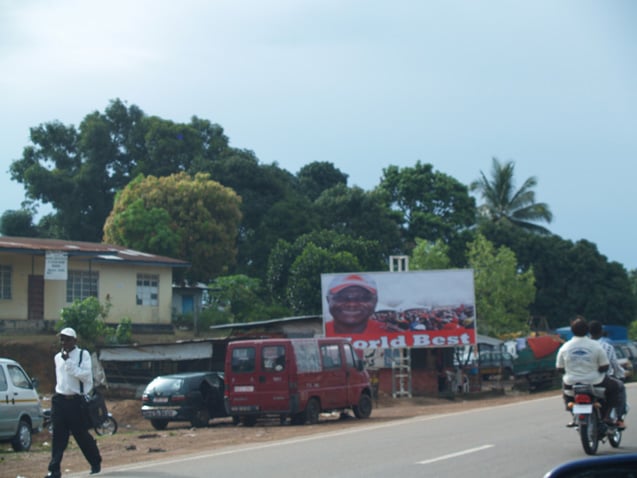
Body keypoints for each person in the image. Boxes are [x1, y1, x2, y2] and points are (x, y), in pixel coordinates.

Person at [45, 327, 102, 478]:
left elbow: (85, 376)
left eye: (68, 339)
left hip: (76, 401)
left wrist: (69, 363)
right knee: (58, 436)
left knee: (80, 435)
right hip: (60, 400)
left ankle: (95, 461)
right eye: (62, 339)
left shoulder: (83, 355)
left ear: (75, 341)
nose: (64, 342)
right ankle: (54, 470)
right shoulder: (58, 357)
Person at [556, 317, 623, 427]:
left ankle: (572, 411)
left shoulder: (565, 347)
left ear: (572, 331)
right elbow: (605, 366)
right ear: (587, 330)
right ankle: (608, 416)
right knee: (616, 387)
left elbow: (560, 368)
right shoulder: (595, 345)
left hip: (571, 383)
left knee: (565, 392)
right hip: (595, 382)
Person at [589, 320, 627, 428]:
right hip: (602, 380)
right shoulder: (606, 346)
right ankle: (618, 418)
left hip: (581, 381)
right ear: (601, 332)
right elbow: (615, 366)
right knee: (620, 387)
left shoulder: (583, 346)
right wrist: (621, 375)